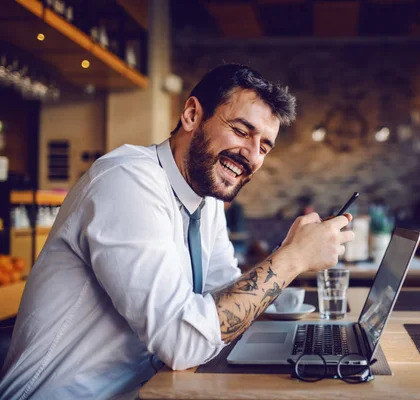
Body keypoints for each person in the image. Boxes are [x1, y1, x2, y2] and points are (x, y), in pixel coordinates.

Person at [0, 64, 354, 399]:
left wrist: (291, 256)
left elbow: (223, 305)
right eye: (242, 131)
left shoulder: (206, 199)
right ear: (191, 115)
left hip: (147, 390)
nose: (252, 155)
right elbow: (182, 343)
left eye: (264, 146)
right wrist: (292, 258)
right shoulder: (127, 182)